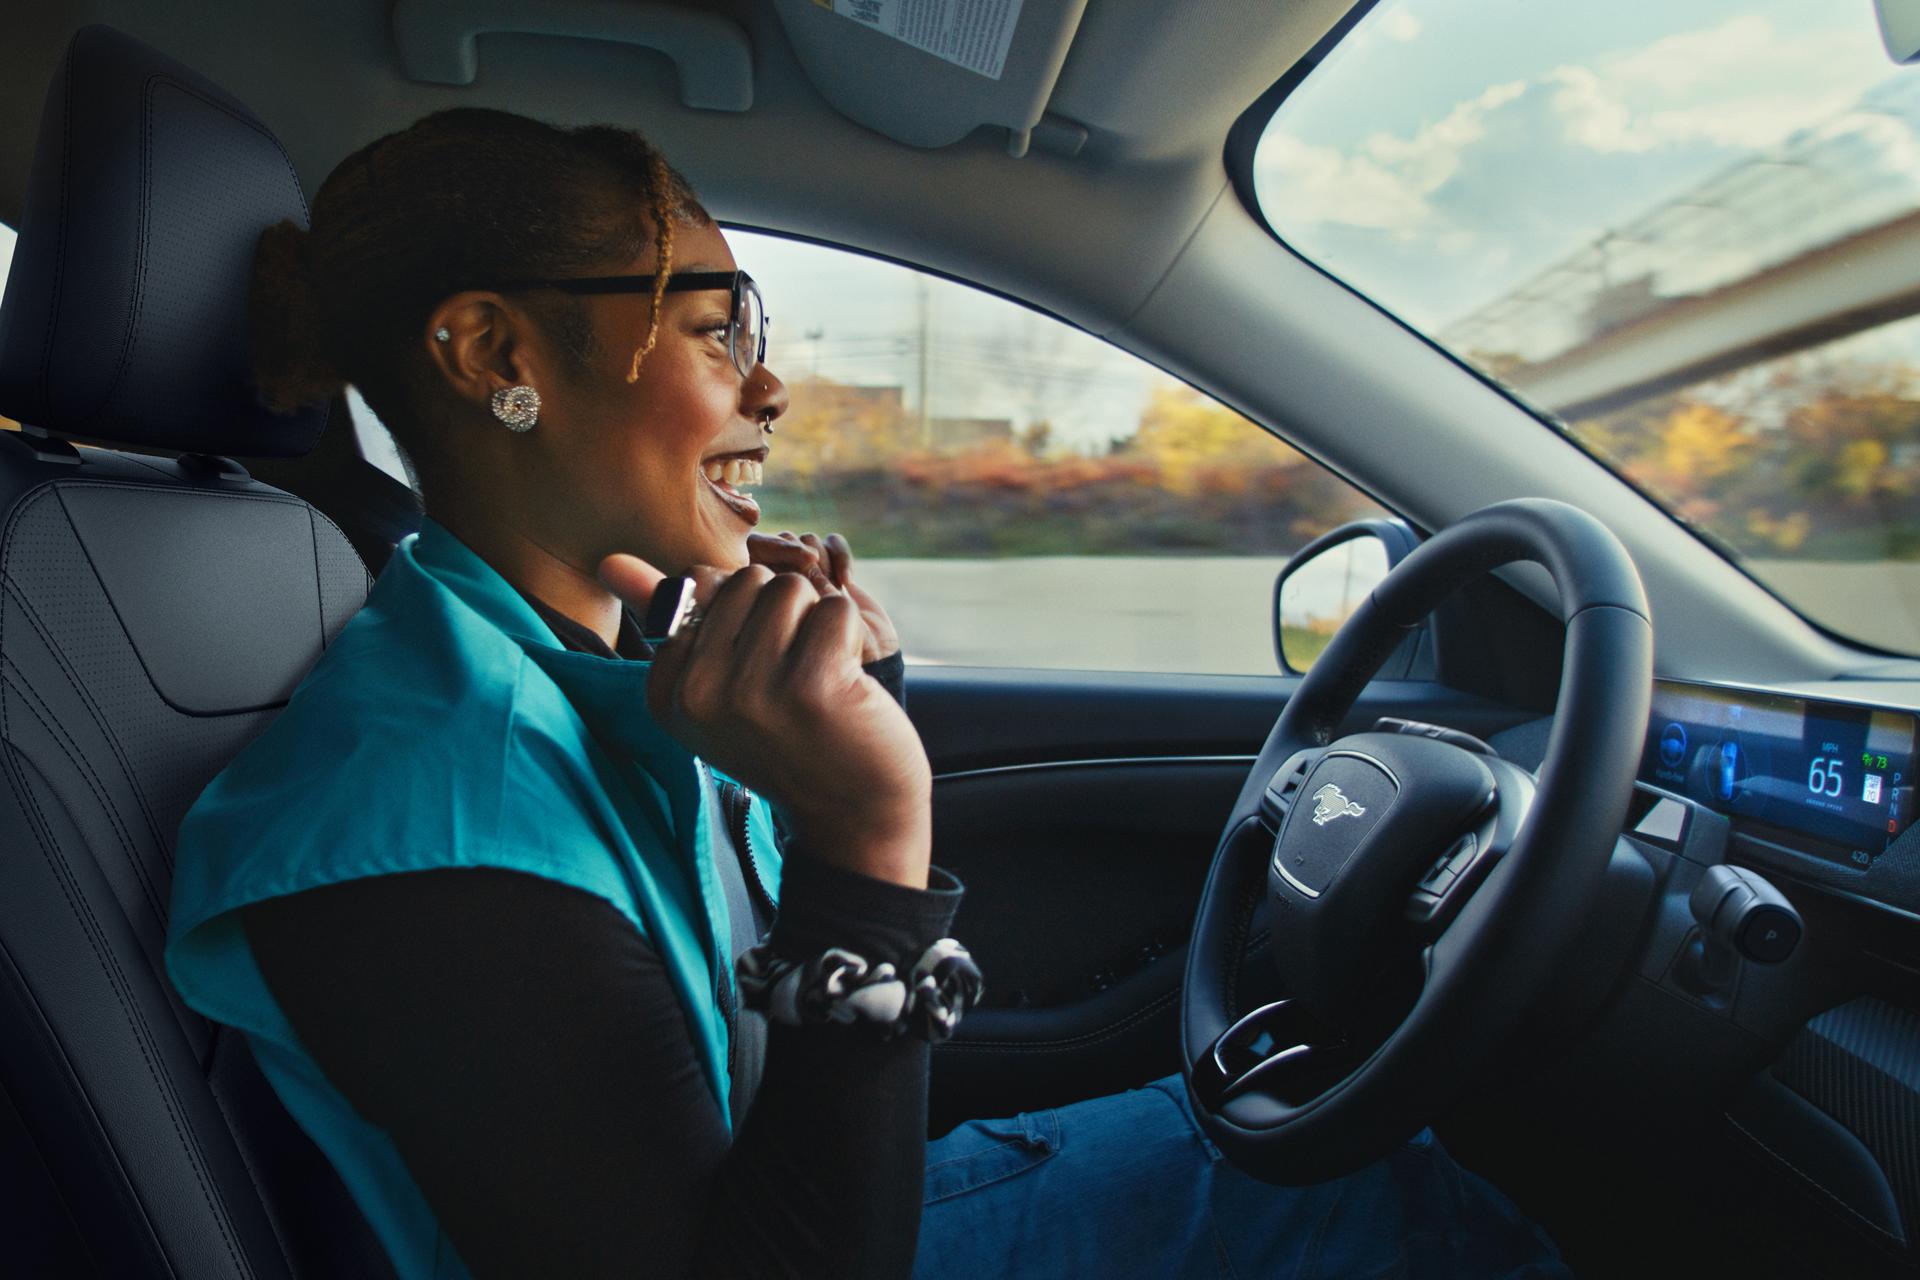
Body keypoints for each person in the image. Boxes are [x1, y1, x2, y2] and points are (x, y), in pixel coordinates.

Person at [164, 108, 1570, 1279]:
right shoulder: (427, 810)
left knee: (1308, 1124)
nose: (769, 384)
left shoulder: (553, 658)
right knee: (1378, 1193)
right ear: (495, 357)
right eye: (715, 330)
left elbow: (735, 1026)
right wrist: (867, 846)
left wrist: (860, 705)